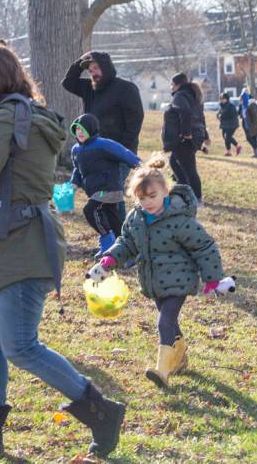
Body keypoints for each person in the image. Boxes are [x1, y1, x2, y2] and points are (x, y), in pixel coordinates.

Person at [0, 43, 125, 458]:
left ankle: (101, 411)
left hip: (22, 245)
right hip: (3, 242)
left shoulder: (7, 116)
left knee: (20, 345)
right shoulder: (25, 115)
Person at [89, 155, 225, 389]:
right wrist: (109, 259)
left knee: (165, 321)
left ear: (165, 191)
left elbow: (204, 245)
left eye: (152, 196)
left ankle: (163, 370)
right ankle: (180, 353)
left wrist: (212, 278)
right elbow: (127, 243)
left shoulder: (179, 219)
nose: (148, 202)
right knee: (169, 321)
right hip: (155, 280)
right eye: (142, 198)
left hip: (180, 278)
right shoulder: (136, 218)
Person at [62, 50, 144, 219]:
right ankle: (111, 237)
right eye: (90, 70)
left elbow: (135, 120)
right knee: (100, 196)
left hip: (118, 153)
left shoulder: (126, 88)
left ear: (106, 67)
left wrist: (122, 149)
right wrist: (79, 62)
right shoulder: (90, 89)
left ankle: (121, 236)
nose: (93, 73)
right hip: (95, 152)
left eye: (96, 68)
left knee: (112, 195)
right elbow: (68, 83)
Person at [70, 113, 140, 258]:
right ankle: (126, 251)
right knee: (114, 221)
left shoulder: (102, 144)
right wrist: (74, 183)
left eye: (83, 129)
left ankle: (107, 242)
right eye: (77, 130)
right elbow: (77, 169)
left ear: (92, 130)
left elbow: (123, 153)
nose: (80, 133)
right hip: (95, 190)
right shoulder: (76, 150)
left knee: (90, 210)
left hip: (108, 188)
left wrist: (139, 165)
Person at [164, 73, 203, 202]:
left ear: (177, 85)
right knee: (175, 163)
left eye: (171, 84)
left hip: (184, 139)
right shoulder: (193, 95)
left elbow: (185, 113)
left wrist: (186, 133)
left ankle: (196, 198)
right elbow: (200, 116)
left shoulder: (180, 96)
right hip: (194, 136)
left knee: (189, 169)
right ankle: (184, 192)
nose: (171, 87)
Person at [217, 92, 241, 156]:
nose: (221, 100)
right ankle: (231, 150)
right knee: (225, 137)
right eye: (220, 98)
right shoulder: (222, 105)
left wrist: (221, 116)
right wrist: (218, 116)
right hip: (224, 124)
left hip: (232, 124)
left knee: (227, 136)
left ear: (227, 99)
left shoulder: (231, 106)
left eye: (223, 98)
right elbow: (218, 113)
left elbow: (231, 115)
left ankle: (233, 148)